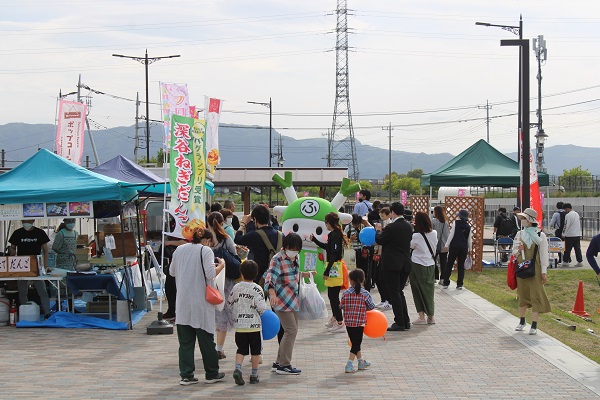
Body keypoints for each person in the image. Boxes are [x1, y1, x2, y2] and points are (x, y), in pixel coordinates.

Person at [169, 227, 226, 385]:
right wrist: (221, 265)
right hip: (201, 302)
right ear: (207, 240)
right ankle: (212, 373)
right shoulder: (206, 251)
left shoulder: (179, 249)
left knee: (186, 342)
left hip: (182, 302)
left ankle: (186, 375)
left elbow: (172, 272)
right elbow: (210, 274)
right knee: (206, 340)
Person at [264, 232, 314, 375]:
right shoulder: (277, 259)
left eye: (297, 249)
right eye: (292, 248)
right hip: (281, 301)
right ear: (285, 247)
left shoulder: (295, 257)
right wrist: (272, 294)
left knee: (291, 330)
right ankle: (284, 364)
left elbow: (292, 274)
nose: (294, 251)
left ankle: (279, 362)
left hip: (293, 300)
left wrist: (305, 274)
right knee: (290, 330)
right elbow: (269, 279)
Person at [374, 202, 413, 332]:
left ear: (392, 212)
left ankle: (400, 321)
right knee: (399, 292)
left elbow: (380, 240)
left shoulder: (391, 227)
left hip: (392, 264)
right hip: (405, 263)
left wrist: (378, 230)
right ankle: (405, 320)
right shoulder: (408, 226)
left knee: (394, 292)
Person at [512, 208, 550, 335]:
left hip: (536, 269)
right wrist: (519, 250)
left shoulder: (540, 235)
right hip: (522, 268)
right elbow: (513, 252)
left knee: (536, 295)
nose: (522, 221)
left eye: (524, 219)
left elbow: (544, 255)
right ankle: (522, 321)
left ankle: (534, 324)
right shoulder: (519, 234)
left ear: (530, 220)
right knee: (522, 294)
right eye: (521, 219)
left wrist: (544, 272)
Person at [228, 260, 266, 385]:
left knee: (241, 349)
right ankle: (254, 375)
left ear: (241, 274)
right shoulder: (257, 289)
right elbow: (262, 307)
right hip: (254, 326)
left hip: (240, 326)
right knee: (256, 351)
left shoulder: (236, 287)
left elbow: (229, 302)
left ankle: (238, 368)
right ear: (256, 274)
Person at [311, 212, 348, 333]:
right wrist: (315, 241)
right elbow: (328, 248)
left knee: (333, 296)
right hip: (333, 267)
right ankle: (336, 317)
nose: (325, 225)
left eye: (326, 223)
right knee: (332, 295)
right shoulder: (333, 234)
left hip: (335, 268)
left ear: (329, 223)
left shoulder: (335, 235)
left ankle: (340, 321)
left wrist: (327, 271)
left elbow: (334, 254)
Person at [207, 212, 237, 360]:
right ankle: (219, 348)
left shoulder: (205, 240)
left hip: (208, 281)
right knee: (222, 312)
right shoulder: (226, 239)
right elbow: (235, 257)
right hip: (225, 281)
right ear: (223, 221)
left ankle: (209, 346)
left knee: (208, 312)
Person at [8, 219, 51, 318]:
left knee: (42, 289)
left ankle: (47, 312)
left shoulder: (39, 232)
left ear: (33, 220)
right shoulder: (17, 233)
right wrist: (12, 251)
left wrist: (45, 266)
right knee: (22, 290)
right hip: (21, 265)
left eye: (28, 220)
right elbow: (13, 248)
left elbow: (46, 250)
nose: (26, 222)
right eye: (24, 220)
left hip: (36, 265)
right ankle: (24, 312)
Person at [234, 205, 283, 284]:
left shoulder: (255, 235)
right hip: (278, 275)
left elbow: (237, 239)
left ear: (255, 219)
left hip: (260, 277)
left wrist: (243, 223)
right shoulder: (281, 235)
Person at [339, 268, 375, 373]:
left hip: (349, 322)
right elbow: (372, 306)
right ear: (363, 280)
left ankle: (360, 362)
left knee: (355, 342)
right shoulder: (365, 293)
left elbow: (341, 306)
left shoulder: (346, 293)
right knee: (356, 343)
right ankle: (349, 365)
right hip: (360, 322)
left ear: (350, 280)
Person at [409, 211, 438, 325]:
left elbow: (411, 246)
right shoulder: (434, 233)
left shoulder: (416, 236)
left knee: (417, 290)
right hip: (430, 264)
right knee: (429, 290)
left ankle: (421, 316)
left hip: (417, 264)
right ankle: (431, 316)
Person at [441, 209, 472, 290]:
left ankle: (446, 282)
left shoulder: (456, 223)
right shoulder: (468, 227)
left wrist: (446, 245)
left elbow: (451, 234)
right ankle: (459, 284)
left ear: (460, 216)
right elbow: (469, 239)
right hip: (464, 247)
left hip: (454, 246)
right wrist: (470, 249)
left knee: (449, 264)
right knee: (461, 266)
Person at [374, 207, 392, 310]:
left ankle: (388, 301)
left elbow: (383, 239)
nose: (382, 218)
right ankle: (383, 299)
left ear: (389, 215)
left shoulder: (389, 226)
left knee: (383, 278)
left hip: (385, 255)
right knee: (377, 277)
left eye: (383, 216)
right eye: (380, 216)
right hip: (379, 253)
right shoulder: (381, 225)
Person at [562, 203, 583, 267]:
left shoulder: (567, 215)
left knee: (567, 249)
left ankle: (566, 261)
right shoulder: (576, 214)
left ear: (567, 208)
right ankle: (579, 261)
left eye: (565, 209)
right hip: (577, 234)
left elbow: (566, 225)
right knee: (577, 249)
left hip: (569, 235)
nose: (565, 211)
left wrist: (563, 234)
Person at [432, 206, 449, 282]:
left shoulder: (433, 221)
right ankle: (443, 278)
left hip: (435, 244)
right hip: (444, 244)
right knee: (443, 262)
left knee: (433, 260)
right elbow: (447, 234)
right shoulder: (445, 222)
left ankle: (435, 276)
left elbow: (431, 232)